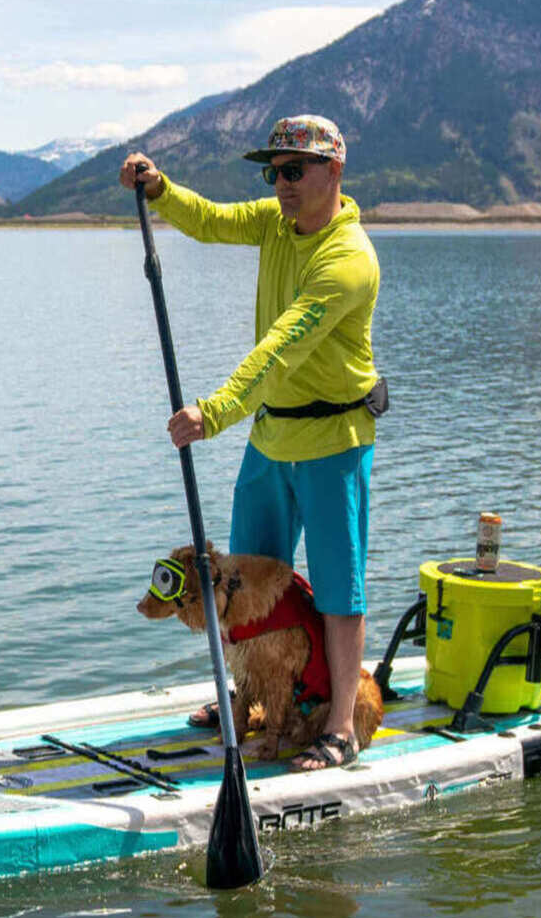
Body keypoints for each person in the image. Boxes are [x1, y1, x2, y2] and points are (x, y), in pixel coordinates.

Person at [120, 114, 381, 772]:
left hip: (331, 442)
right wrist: (161, 190)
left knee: (335, 592)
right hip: (272, 439)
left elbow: (280, 348)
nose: (281, 184)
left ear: (334, 172)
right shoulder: (275, 222)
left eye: (295, 170)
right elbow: (209, 220)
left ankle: (342, 725)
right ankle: (250, 697)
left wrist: (214, 411)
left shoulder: (348, 260)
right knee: (246, 581)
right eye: (273, 172)